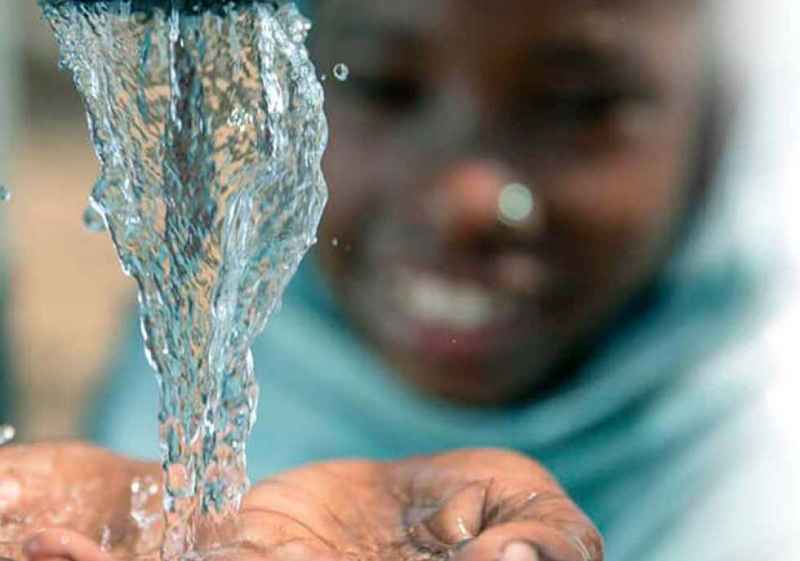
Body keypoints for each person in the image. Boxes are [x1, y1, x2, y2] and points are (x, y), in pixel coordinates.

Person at [1, 1, 797, 560]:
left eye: (577, 105)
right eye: (384, 86)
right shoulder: (211, 353)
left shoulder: (767, 472)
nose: (470, 201)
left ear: (723, 115)